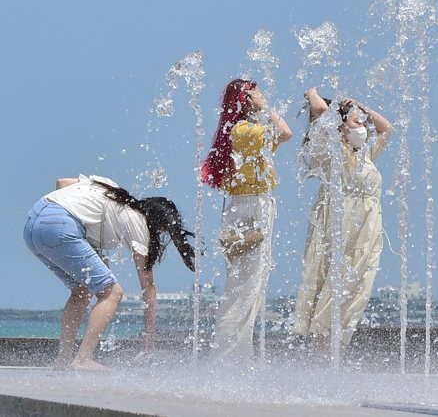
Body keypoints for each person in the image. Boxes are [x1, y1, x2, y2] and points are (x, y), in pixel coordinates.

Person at [23, 174, 195, 371]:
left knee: (81, 290)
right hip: (61, 226)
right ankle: (82, 360)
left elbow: (61, 183)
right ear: (157, 224)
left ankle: (63, 360)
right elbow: (148, 287)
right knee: (113, 293)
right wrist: (149, 336)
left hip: (33, 227)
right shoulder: (139, 223)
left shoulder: (110, 189)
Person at [292, 87, 392, 353]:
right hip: (338, 227)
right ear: (339, 125)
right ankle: (322, 358)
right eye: (355, 121)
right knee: (332, 289)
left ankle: (332, 354)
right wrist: (312, 93)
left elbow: (386, 129)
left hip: (366, 231)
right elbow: (322, 112)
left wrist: (362, 107)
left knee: (355, 291)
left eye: (361, 122)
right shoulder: (330, 149)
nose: (362, 126)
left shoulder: (365, 155)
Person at [201, 78, 292, 360]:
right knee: (245, 289)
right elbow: (286, 132)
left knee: (242, 286)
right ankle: (230, 358)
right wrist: (267, 109)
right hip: (253, 207)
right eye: (257, 94)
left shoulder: (238, 130)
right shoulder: (246, 131)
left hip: (242, 207)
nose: (263, 96)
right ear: (247, 100)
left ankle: (237, 354)